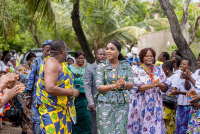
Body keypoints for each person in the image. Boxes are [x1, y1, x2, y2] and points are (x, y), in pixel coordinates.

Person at [36, 39, 79, 134]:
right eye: (66, 50)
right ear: (63, 50)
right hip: (51, 111)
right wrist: (72, 92)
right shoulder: (52, 64)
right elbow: (50, 88)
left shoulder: (58, 63)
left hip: (61, 110)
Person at [127, 48, 172, 134]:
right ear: (142, 57)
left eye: (151, 56)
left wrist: (159, 84)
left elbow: (166, 87)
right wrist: (152, 84)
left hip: (155, 105)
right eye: (146, 56)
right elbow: (135, 88)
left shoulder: (158, 70)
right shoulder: (136, 70)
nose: (149, 58)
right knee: (139, 128)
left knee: (155, 129)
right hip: (140, 104)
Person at [95, 40, 134, 134]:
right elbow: (99, 87)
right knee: (105, 130)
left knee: (121, 131)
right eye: (107, 49)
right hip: (105, 103)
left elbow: (131, 84)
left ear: (118, 51)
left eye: (112, 49)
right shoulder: (102, 66)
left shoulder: (126, 65)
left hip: (122, 103)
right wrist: (113, 86)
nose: (108, 51)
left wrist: (124, 83)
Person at [25, 40, 51, 134]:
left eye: (51, 51)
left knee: (48, 120)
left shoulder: (56, 62)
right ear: (43, 50)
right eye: (47, 50)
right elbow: (30, 78)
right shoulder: (37, 61)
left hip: (51, 96)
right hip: (37, 95)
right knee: (37, 119)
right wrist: (28, 97)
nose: (49, 53)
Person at [68, 51, 91, 134]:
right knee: (75, 115)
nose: (81, 60)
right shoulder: (70, 67)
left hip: (86, 96)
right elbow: (68, 80)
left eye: (82, 58)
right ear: (75, 58)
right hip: (75, 96)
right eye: (79, 58)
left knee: (86, 116)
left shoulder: (88, 66)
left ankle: (87, 132)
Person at [84, 48, 106, 134]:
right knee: (95, 127)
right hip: (95, 102)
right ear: (96, 55)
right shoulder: (90, 68)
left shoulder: (111, 67)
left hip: (109, 101)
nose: (102, 56)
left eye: (104, 54)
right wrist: (90, 102)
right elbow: (87, 86)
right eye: (100, 54)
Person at [170, 58, 193, 134]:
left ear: (189, 66)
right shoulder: (178, 75)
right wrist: (174, 90)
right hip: (180, 103)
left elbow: (188, 89)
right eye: (181, 64)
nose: (181, 65)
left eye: (184, 64)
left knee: (185, 125)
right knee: (178, 124)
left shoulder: (191, 76)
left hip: (188, 104)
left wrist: (187, 77)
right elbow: (175, 87)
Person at [16, 52, 36, 134]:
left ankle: (28, 130)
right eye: (31, 60)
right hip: (21, 94)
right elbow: (15, 80)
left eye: (34, 60)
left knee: (30, 113)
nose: (32, 62)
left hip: (31, 95)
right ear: (27, 60)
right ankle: (25, 129)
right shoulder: (20, 68)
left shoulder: (37, 68)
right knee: (24, 113)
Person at [162, 61, 180, 134]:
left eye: (162, 69)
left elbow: (174, 90)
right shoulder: (165, 77)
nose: (162, 71)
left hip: (169, 104)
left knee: (170, 123)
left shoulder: (175, 77)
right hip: (163, 103)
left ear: (167, 69)